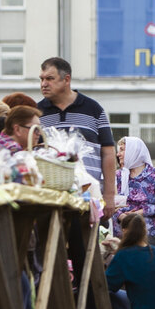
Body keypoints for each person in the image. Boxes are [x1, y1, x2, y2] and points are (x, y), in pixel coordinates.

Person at [38, 57, 115, 218]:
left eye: (50, 79)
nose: (44, 83)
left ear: (66, 79)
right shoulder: (37, 112)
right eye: (42, 79)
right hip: (50, 199)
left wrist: (109, 195)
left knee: (88, 242)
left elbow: (108, 153)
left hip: (89, 196)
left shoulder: (93, 109)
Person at [113, 137, 155, 240]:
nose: (118, 154)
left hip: (148, 235)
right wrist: (121, 216)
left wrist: (139, 213)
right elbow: (109, 202)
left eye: (122, 149)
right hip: (121, 236)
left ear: (134, 151)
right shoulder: (118, 176)